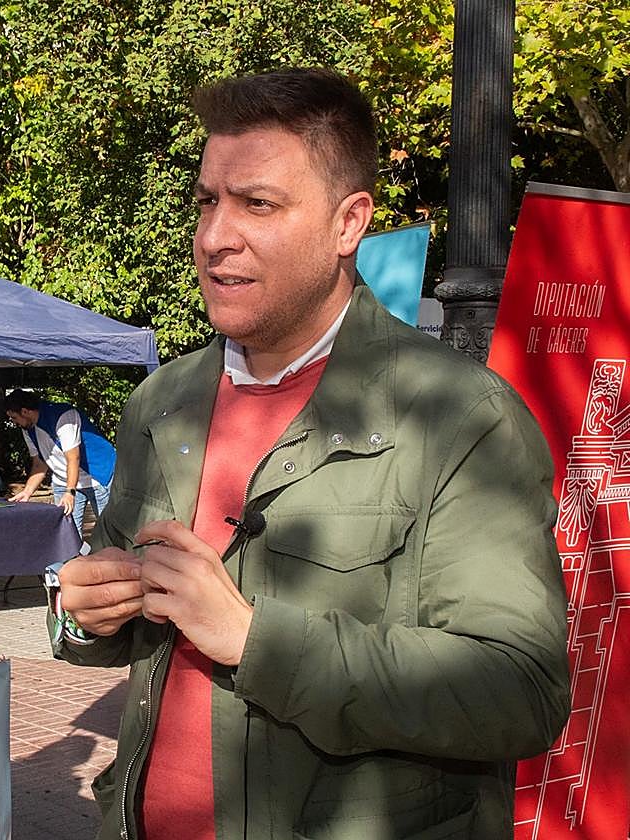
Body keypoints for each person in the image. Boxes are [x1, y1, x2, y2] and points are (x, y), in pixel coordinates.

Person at [51, 68, 570, 839]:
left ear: (348, 223)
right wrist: (89, 616)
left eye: (257, 203)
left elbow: (520, 690)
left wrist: (256, 641)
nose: (214, 236)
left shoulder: (461, 416)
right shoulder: (160, 403)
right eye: (207, 201)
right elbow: (124, 617)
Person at [5, 389, 115, 536]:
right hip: (63, 480)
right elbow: (39, 463)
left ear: (25, 411)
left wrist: (70, 492)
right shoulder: (27, 428)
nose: (14, 422)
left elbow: (73, 458)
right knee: (67, 535)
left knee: (109, 532)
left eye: (14, 417)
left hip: (97, 476)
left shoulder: (63, 416)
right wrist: (27, 492)